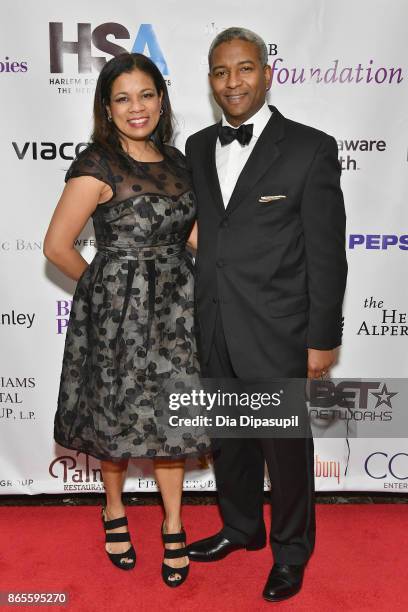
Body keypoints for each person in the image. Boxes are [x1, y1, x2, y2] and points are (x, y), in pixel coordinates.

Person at [185, 27, 347, 602]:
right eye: (222, 72)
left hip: (281, 327)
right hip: (214, 322)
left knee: (286, 448)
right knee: (229, 439)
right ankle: (240, 527)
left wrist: (323, 336)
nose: (234, 82)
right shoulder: (198, 147)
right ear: (210, 81)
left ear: (267, 72)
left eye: (245, 68)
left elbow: (327, 253)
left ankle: (292, 550)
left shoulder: (310, 147)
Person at [43, 52, 210, 587]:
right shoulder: (97, 164)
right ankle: (114, 509)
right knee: (114, 417)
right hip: (117, 315)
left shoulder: (181, 161)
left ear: (161, 100)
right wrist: (104, 289)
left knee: (174, 418)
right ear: (107, 108)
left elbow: (193, 237)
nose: (136, 108)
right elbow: (57, 247)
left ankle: (174, 523)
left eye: (145, 95)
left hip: (178, 311)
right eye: (122, 98)